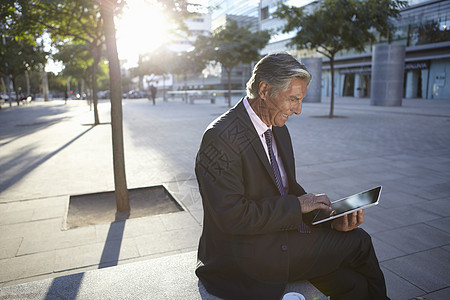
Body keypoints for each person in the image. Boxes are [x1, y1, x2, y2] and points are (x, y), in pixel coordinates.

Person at [194, 52, 388, 300]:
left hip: (278, 238)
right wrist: (298, 205)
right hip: (243, 258)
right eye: (293, 99)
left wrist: (329, 218)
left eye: (301, 100)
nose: (298, 110)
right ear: (264, 90)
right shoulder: (220, 138)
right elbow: (231, 216)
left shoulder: (277, 128)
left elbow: (286, 189)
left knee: (353, 285)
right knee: (359, 242)